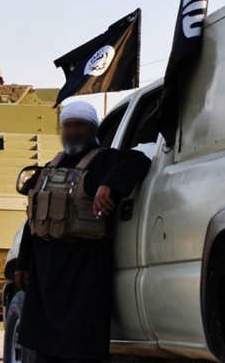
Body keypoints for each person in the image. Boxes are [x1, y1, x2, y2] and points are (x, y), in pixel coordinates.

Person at [14, 101, 151, 363]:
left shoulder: (105, 160)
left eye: (80, 125)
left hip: (83, 271)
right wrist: (23, 263)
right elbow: (32, 220)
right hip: (45, 274)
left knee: (80, 348)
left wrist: (108, 186)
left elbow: (138, 160)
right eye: (68, 126)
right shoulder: (50, 168)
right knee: (44, 349)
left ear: (92, 128)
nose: (73, 131)